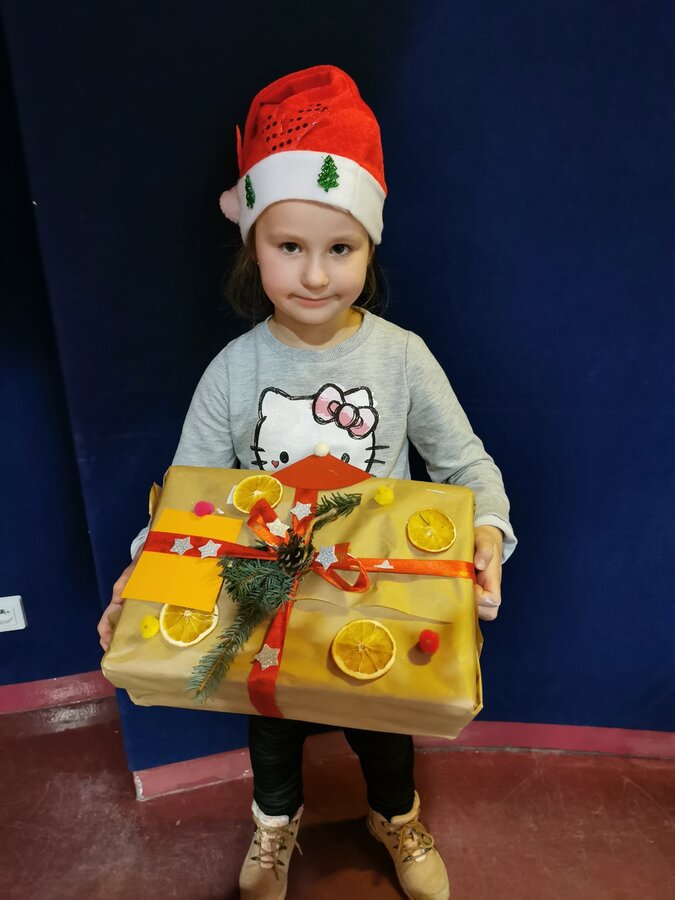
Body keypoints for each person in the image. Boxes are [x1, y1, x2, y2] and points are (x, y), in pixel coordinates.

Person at [98, 65, 516, 900]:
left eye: (340, 249)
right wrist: (143, 577)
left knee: (385, 735)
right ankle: (273, 828)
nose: (316, 276)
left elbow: (468, 467)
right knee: (272, 732)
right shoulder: (233, 370)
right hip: (265, 601)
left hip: (378, 600)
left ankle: (394, 817)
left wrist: (487, 532)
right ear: (252, 244)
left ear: (370, 247)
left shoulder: (402, 359)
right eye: (289, 247)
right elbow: (189, 498)